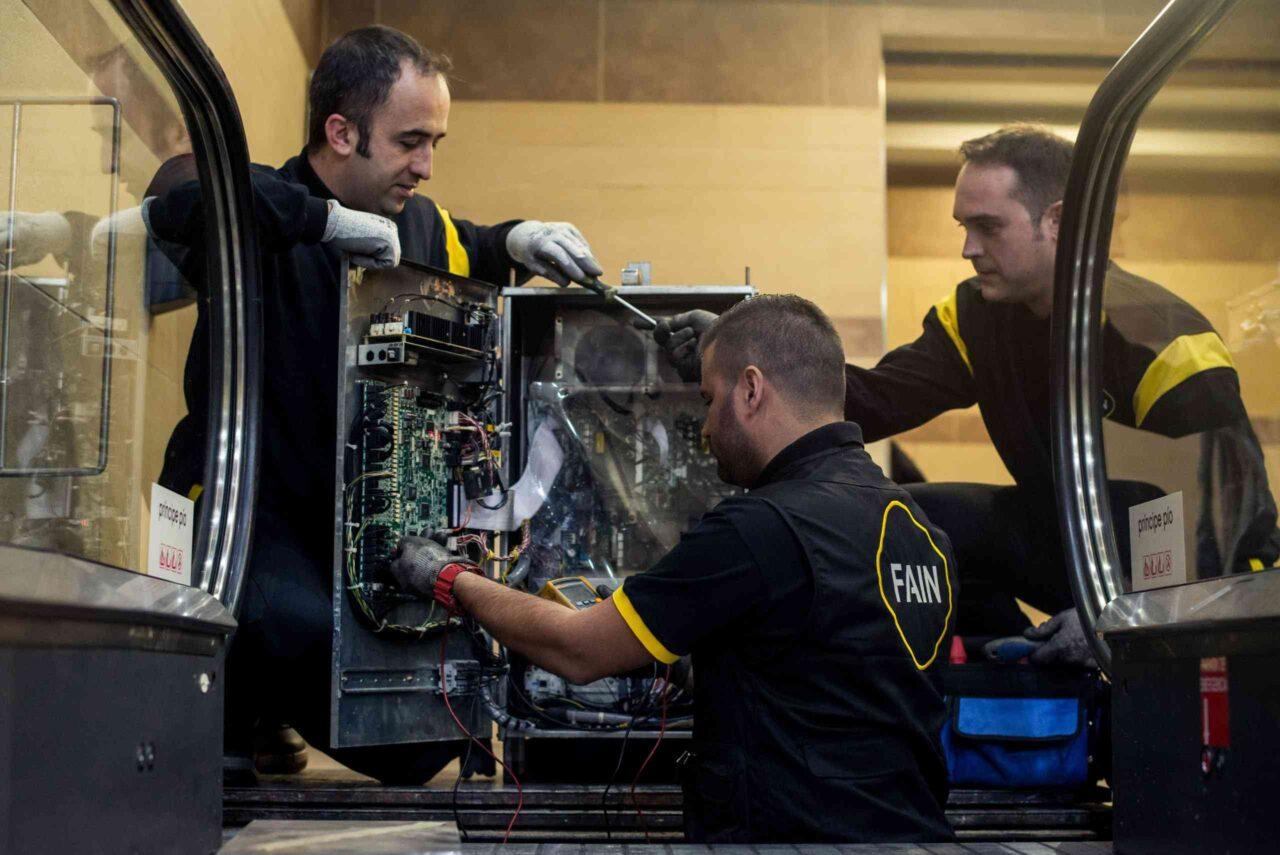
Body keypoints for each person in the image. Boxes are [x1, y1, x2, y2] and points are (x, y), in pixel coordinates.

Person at [141, 26, 607, 782]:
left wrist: (520, 237)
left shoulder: (416, 222)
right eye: (410, 141)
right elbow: (177, 198)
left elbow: (472, 245)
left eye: (435, 143)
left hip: (354, 528)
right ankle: (246, 711)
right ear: (341, 131)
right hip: (246, 513)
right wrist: (323, 222)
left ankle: (274, 703)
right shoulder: (254, 207)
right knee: (273, 625)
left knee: (422, 745)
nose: (425, 165)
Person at [653, 124, 1280, 666]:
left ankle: (1078, 657)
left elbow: (1234, 533)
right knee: (907, 521)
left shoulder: (1167, 341)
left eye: (987, 227)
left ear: (1059, 221)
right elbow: (866, 401)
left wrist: (1124, 619)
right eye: (963, 227)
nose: (967, 248)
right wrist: (748, 356)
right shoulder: (975, 317)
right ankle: (1011, 673)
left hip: (1177, 577)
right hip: (1069, 538)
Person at [393, 295, 958, 844]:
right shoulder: (916, 526)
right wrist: (701, 663)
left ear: (752, 389)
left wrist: (449, 577)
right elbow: (836, 671)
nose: (706, 427)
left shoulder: (759, 527)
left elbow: (580, 650)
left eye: (709, 400)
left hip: (791, 837)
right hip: (915, 834)